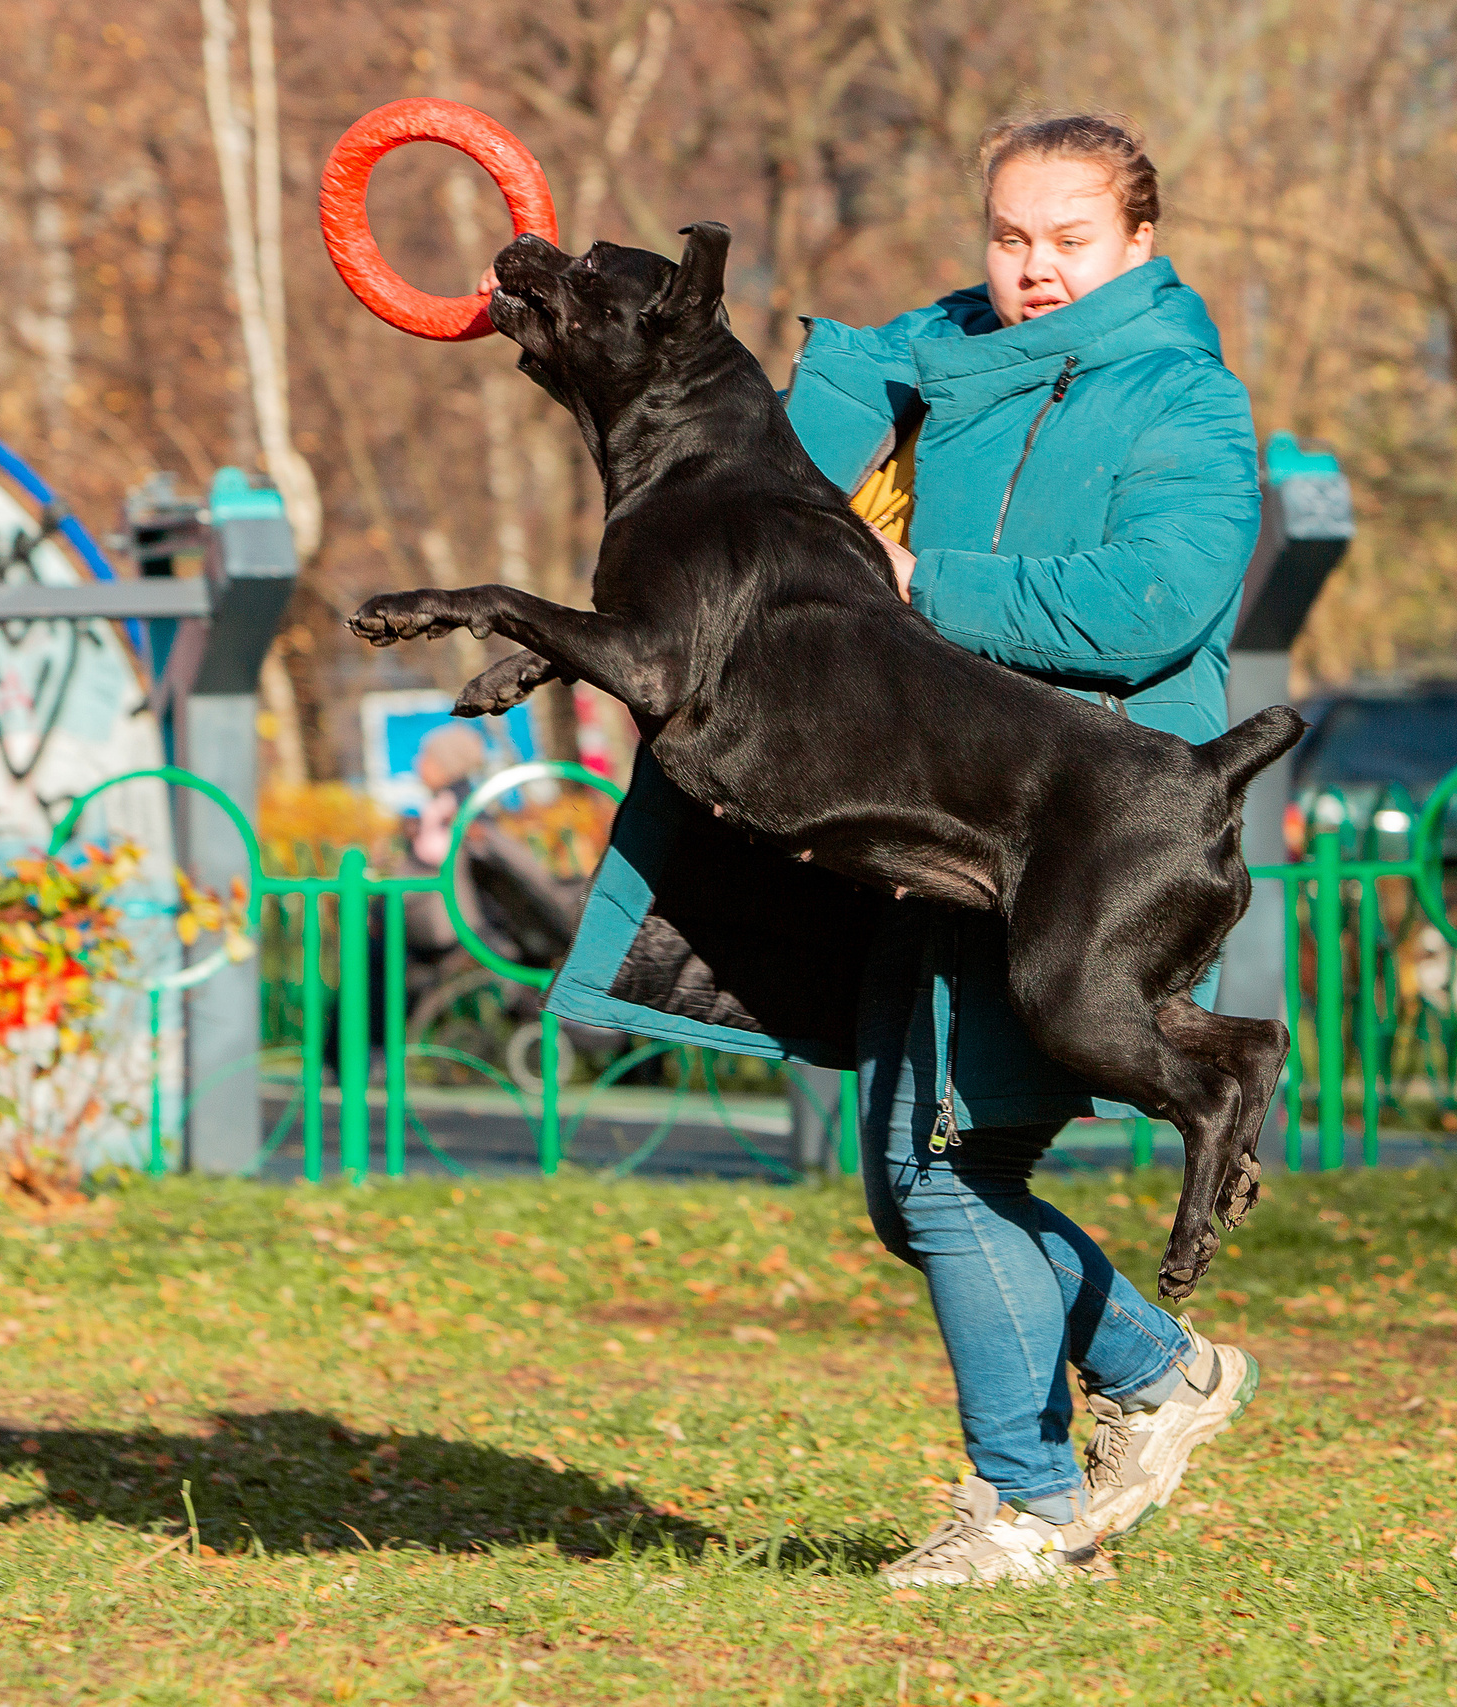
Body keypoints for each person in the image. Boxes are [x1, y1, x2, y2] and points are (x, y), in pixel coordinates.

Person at [545, 112, 1267, 1586]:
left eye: (1071, 241)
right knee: (907, 1187)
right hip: (904, 805)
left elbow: (1155, 602)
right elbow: (748, 447)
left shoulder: (1186, 402)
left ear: (1140, 242)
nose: (1037, 271)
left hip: (1067, 819)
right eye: (1011, 238)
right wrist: (610, 336)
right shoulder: (930, 353)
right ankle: (1155, 1372)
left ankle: (1027, 1507)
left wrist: (921, 578)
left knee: (952, 1168)